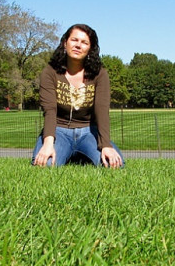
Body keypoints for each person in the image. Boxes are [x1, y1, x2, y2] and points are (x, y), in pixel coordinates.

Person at [32, 24, 124, 168]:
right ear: (65, 43)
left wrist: (105, 145)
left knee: (114, 165)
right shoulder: (50, 72)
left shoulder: (100, 74)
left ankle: (80, 153)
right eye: (74, 40)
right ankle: (70, 153)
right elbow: (49, 111)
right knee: (45, 165)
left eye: (84, 42)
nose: (78, 45)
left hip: (89, 131)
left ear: (90, 49)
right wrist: (48, 144)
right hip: (59, 130)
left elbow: (102, 111)